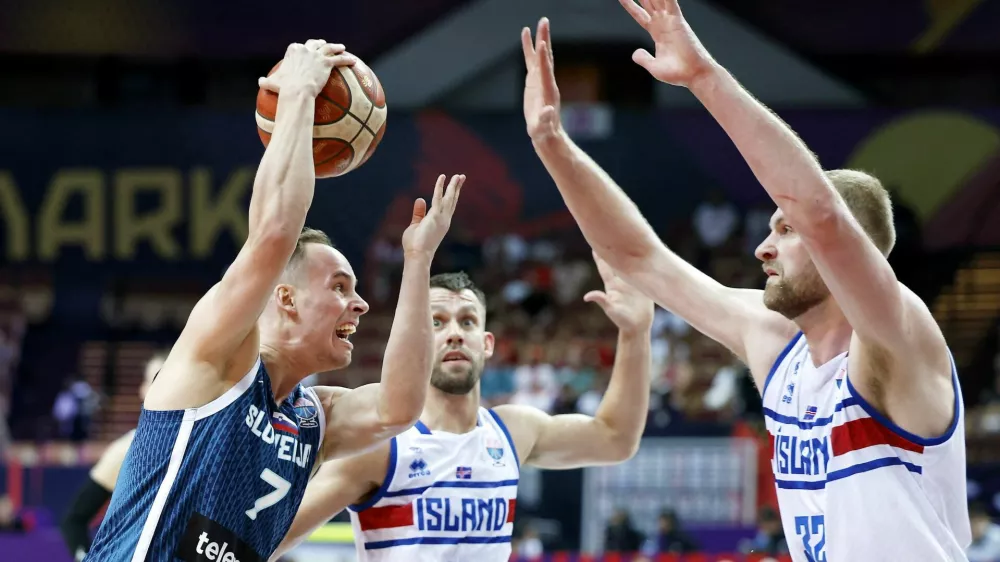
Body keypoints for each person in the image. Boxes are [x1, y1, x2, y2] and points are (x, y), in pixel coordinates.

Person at [521, 4, 969, 561]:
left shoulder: (896, 335)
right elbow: (636, 257)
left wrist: (703, 77)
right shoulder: (774, 341)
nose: (763, 248)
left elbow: (821, 215)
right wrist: (552, 146)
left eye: (784, 230)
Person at [85, 39, 468, 562]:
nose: (358, 306)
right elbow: (272, 235)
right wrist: (300, 99)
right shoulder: (222, 360)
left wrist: (418, 264)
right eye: (339, 287)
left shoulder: (314, 419)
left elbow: (399, 408)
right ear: (284, 298)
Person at [272, 256, 653, 561]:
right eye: (436, 322)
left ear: (486, 343)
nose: (455, 331)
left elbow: (616, 438)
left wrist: (635, 334)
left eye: (467, 321)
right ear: (415, 340)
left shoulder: (515, 431)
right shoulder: (380, 446)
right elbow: (268, 539)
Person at [60, 350, 167, 561]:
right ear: (143, 390)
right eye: (156, 378)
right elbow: (74, 520)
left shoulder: (207, 444)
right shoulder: (127, 448)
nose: (166, 385)